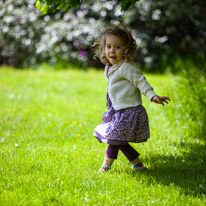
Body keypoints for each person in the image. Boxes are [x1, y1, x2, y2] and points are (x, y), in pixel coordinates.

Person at [93, 26, 170, 172]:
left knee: (114, 139)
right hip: (118, 111)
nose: (112, 51)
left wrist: (152, 96)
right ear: (103, 49)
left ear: (126, 50)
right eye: (108, 47)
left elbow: (140, 81)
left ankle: (105, 167)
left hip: (129, 112)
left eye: (117, 47)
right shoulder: (110, 67)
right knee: (119, 140)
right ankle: (138, 165)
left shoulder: (127, 67)